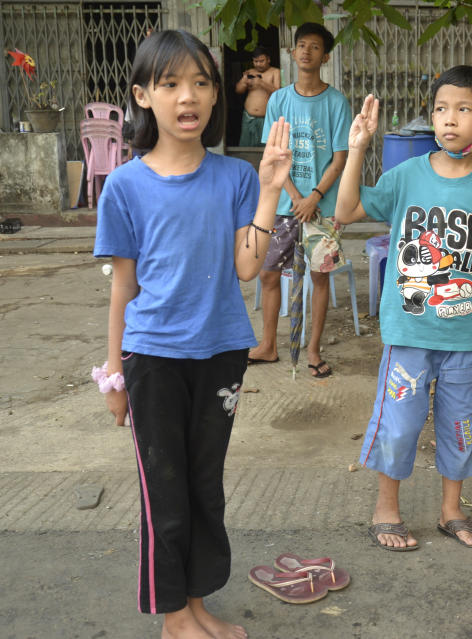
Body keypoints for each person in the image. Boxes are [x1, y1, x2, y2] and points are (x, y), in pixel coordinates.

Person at [92, 29, 291, 638]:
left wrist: (269, 190)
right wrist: (114, 375)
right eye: (172, 83)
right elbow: (122, 289)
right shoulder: (124, 186)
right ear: (142, 96)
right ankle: (173, 617)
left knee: (205, 488)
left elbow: (247, 267)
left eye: (202, 82)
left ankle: (198, 604)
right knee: (165, 494)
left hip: (222, 353)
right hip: (152, 357)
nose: (189, 96)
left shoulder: (233, 177)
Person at [335, 66, 472, 551]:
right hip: (409, 330)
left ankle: (451, 510)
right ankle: (386, 509)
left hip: (463, 335)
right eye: (441, 108)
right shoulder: (406, 176)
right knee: (398, 425)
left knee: (461, 427)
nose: (449, 119)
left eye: (463, 109)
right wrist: (358, 148)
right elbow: (347, 211)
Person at [247, 23, 350, 379]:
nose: (307, 51)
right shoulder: (278, 100)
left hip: (322, 207)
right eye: (301, 45)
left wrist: (314, 197)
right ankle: (269, 345)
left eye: (315, 47)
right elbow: (273, 155)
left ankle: (313, 350)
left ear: (326, 56)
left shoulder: (336, 102)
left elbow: (340, 158)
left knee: (320, 278)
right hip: (284, 204)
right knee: (268, 273)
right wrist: (294, 197)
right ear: (292, 52)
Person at [234, 46, 279, 147]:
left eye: (261, 61)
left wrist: (261, 83)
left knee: (266, 149)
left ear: (268, 59)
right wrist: (243, 81)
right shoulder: (250, 72)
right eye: (255, 61)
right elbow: (238, 91)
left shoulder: (275, 72)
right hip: (248, 117)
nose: (258, 64)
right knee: (245, 148)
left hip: (266, 119)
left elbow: (278, 93)